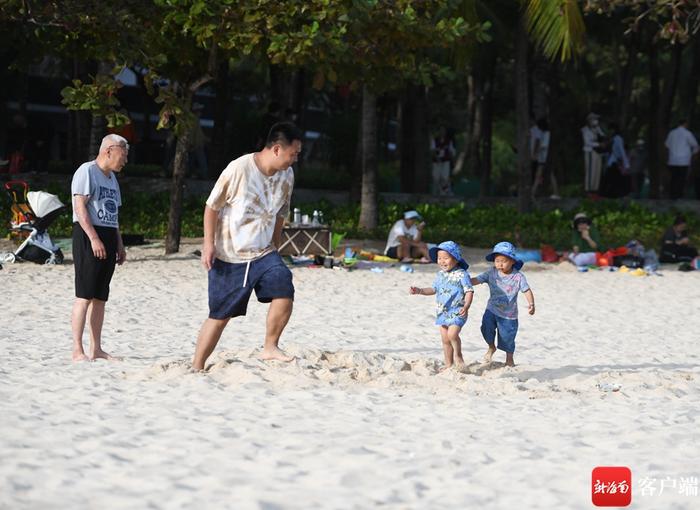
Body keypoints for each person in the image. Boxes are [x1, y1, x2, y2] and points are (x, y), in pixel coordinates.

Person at [192, 122, 302, 370]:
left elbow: (281, 213)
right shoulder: (239, 168)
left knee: (284, 284)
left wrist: (275, 246)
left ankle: (270, 346)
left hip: (263, 252)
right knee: (220, 316)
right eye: (293, 153)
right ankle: (197, 365)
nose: (295, 159)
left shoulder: (287, 175)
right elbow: (212, 206)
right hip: (230, 255)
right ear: (276, 149)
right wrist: (208, 243)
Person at [70, 134, 128, 362]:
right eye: (123, 155)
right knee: (84, 295)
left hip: (108, 235)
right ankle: (77, 349)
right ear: (109, 151)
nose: (124, 161)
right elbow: (80, 208)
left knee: (100, 297)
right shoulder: (87, 171)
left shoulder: (112, 178)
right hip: (88, 235)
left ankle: (96, 349)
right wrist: (94, 239)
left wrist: (119, 244)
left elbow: (114, 215)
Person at [409, 241, 473, 371]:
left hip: (458, 310)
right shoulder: (440, 275)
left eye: (446, 258)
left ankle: (458, 356)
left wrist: (466, 306)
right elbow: (433, 289)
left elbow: (469, 291)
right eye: (439, 258)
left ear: (455, 258)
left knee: (452, 334)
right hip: (442, 312)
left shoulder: (462, 274)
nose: (442, 261)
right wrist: (420, 290)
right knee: (445, 340)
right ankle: (449, 364)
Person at [471, 241, 535, 367]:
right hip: (492, 309)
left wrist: (531, 303)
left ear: (512, 261)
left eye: (504, 261)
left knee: (507, 337)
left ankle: (509, 359)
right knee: (486, 329)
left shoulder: (518, 276)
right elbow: (476, 280)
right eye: (497, 260)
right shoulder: (491, 273)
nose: (500, 264)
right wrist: (464, 281)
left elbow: (526, 290)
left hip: (509, 314)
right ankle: (491, 347)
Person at [665, 120, 699, 200]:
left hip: (672, 160)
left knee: (673, 178)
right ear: (685, 124)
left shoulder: (671, 133)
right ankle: (679, 195)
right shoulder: (687, 133)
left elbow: (667, 145)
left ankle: (672, 195)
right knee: (682, 178)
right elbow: (696, 146)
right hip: (684, 160)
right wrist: (692, 154)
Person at [530, 118, 560, 199]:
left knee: (549, 175)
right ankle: (533, 193)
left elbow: (543, 146)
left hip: (545, 158)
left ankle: (556, 193)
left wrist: (535, 154)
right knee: (540, 175)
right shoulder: (544, 134)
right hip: (542, 158)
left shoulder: (547, 134)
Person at [581, 113, 606, 197]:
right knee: (590, 170)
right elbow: (587, 142)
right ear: (589, 120)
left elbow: (603, 136)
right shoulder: (585, 130)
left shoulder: (597, 129)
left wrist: (600, 130)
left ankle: (594, 189)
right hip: (590, 152)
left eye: (596, 119)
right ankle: (588, 189)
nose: (596, 121)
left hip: (597, 152)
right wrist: (599, 144)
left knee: (597, 170)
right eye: (594, 119)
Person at [602, 123, 630, 198]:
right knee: (612, 179)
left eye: (611, 130)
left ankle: (613, 194)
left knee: (614, 179)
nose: (610, 131)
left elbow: (622, 151)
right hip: (611, 162)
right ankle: (611, 194)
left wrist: (626, 163)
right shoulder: (612, 139)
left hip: (615, 162)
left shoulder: (618, 138)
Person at [431, 126, 455, 196]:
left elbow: (451, 152)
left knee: (445, 177)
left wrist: (452, 162)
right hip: (436, 162)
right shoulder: (435, 140)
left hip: (446, 162)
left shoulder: (449, 141)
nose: (442, 132)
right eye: (441, 131)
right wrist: (436, 158)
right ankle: (435, 193)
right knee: (436, 177)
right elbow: (432, 151)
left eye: (444, 131)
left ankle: (444, 193)